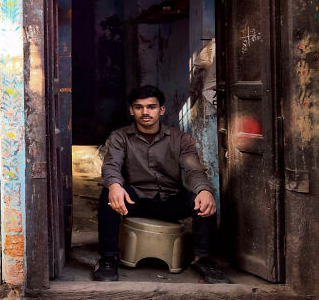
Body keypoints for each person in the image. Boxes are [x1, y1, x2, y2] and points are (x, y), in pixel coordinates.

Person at [93, 85, 229, 284]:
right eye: (139, 107)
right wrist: (114, 185)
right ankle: (108, 258)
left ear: (162, 110)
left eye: (151, 107)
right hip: (136, 201)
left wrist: (204, 190)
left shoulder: (181, 139)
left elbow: (193, 171)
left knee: (203, 198)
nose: (145, 112)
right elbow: (111, 166)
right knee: (108, 194)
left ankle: (203, 258)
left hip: (170, 201)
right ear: (131, 110)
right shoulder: (120, 137)